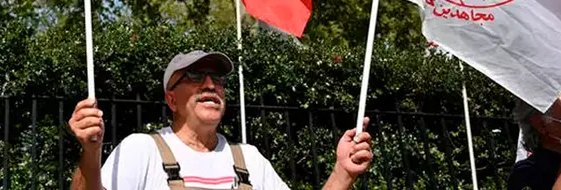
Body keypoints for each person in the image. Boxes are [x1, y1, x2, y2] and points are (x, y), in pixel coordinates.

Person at [68, 50, 373, 189]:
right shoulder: (141, 150)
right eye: (196, 76)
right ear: (171, 99)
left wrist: (342, 174)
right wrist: (91, 153)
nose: (211, 85)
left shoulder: (249, 160)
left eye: (217, 79)